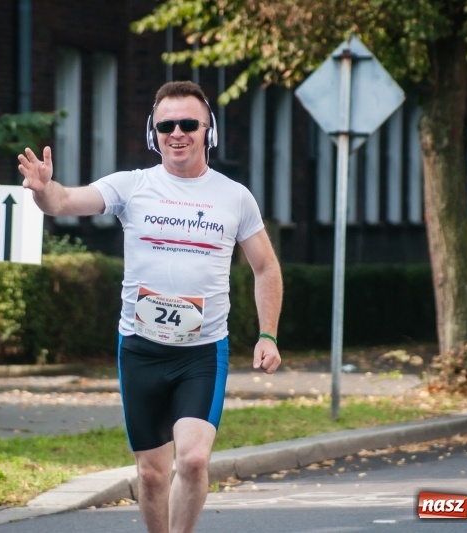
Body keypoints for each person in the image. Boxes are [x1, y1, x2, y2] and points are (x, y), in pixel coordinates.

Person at [18, 80, 283, 533]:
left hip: (202, 352)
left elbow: (266, 268)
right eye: (166, 125)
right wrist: (45, 191)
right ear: (152, 132)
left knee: (195, 460)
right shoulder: (132, 186)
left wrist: (267, 334)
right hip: (141, 350)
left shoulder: (234, 196)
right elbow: (64, 200)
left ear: (208, 131)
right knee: (152, 474)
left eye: (187, 124)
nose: (176, 133)